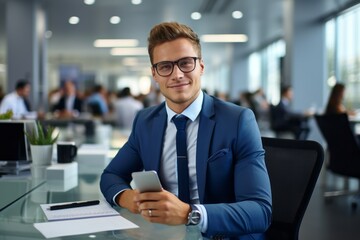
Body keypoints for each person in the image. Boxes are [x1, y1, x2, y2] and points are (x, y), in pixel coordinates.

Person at [100, 22, 272, 240]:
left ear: (201, 66)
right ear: (154, 74)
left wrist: (190, 214)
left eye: (185, 63)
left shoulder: (237, 120)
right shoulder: (146, 121)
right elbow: (111, 175)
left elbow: (260, 211)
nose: (177, 74)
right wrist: (130, 198)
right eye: (165, 66)